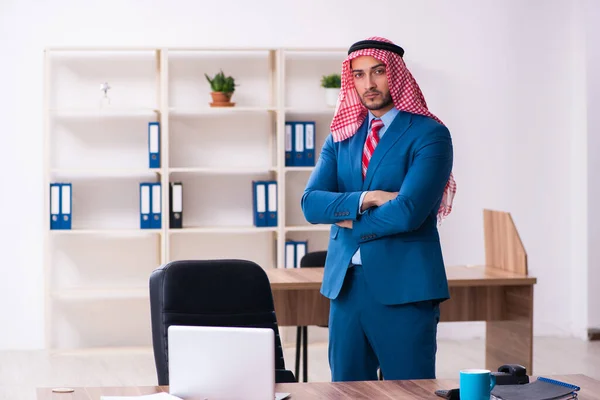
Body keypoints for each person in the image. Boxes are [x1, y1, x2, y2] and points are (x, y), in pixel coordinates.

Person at [300, 36, 457, 382]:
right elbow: (310, 203)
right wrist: (367, 199)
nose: (368, 84)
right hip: (346, 289)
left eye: (378, 72)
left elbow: (408, 212)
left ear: (396, 74)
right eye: (358, 75)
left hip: (405, 289)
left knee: (409, 391)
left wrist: (344, 219)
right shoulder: (341, 135)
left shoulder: (430, 135)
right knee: (346, 391)